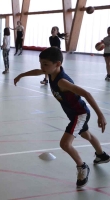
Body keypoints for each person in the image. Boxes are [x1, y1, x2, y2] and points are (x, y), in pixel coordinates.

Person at [14, 47, 110, 188]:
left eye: (45, 64)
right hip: (74, 114)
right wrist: (21, 75)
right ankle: (101, 155)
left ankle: (82, 166)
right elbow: (37, 71)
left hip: (80, 114)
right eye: (41, 63)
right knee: (86, 135)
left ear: (58, 64)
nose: (42, 67)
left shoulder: (62, 82)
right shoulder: (51, 72)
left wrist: (100, 115)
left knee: (65, 144)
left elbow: (87, 94)